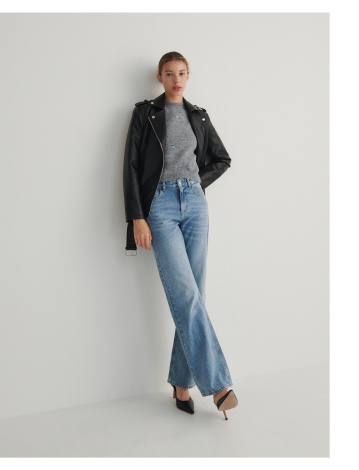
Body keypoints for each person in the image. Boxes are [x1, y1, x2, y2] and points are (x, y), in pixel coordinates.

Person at [123, 51, 238, 420]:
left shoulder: (198, 115)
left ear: (189, 76)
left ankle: (181, 383)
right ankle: (218, 385)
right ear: (160, 77)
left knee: (195, 295)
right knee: (186, 295)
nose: (176, 80)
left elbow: (221, 158)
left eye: (182, 73)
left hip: (195, 203)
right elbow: (131, 166)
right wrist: (136, 217)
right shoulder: (145, 113)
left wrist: (196, 184)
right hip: (159, 206)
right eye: (169, 74)